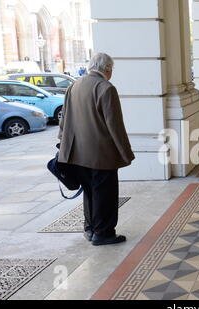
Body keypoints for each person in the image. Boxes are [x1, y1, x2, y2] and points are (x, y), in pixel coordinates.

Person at [58, 52, 135, 246]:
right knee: (105, 194)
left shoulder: (74, 85)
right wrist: (126, 153)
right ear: (107, 69)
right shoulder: (106, 88)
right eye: (112, 69)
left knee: (89, 192)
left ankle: (90, 229)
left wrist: (62, 145)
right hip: (102, 154)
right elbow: (115, 125)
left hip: (77, 153)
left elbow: (64, 119)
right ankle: (104, 232)